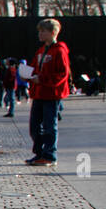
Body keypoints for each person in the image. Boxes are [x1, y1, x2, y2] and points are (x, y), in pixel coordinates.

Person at [25, 19, 70, 167]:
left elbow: (62, 74)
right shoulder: (41, 50)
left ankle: (49, 155)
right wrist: (27, 74)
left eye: (43, 31)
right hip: (39, 93)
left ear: (52, 33)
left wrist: (42, 79)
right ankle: (39, 153)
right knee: (34, 126)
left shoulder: (59, 51)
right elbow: (34, 67)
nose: (40, 34)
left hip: (51, 94)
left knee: (50, 126)